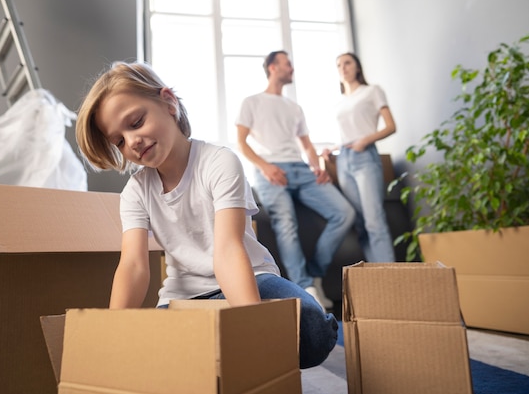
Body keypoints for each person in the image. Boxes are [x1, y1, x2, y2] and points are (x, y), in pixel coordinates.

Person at [75, 60, 338, 369]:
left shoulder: (219, 162)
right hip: (185, 296)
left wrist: (252, 325)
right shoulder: (136, 191)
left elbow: (227, 250)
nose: (131, 142)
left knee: (309, 326)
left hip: (251, 278)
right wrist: (113, 332)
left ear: (169, 102)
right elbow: (133, 266)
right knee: (149, 357)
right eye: (119, 141)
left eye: (136, 122)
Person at [236, 50, 355, 310]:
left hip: (301, 170)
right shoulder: (252, 102)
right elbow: (241, 142)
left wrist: (318, 167)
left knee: (344, 212)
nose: (291, 68)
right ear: (272, 67)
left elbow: (307, 145)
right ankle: (305, 286)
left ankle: (314, 273)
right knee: (286, 221)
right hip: (271, 172)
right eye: (287, 64)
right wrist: (265, 167)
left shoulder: (294, 107)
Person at [321, 52, 396, 262]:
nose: (343, 68)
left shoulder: (372, 91)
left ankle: (389, 277)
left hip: (365, 158)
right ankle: (371, 279)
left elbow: (391, 126)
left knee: (374, 221)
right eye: (338, 65)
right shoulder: (340, 102)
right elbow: (347, 135)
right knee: (361, 223)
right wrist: (332, 149)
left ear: (357, 67)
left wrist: (365, 140)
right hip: (344, 160)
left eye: (347, 63)